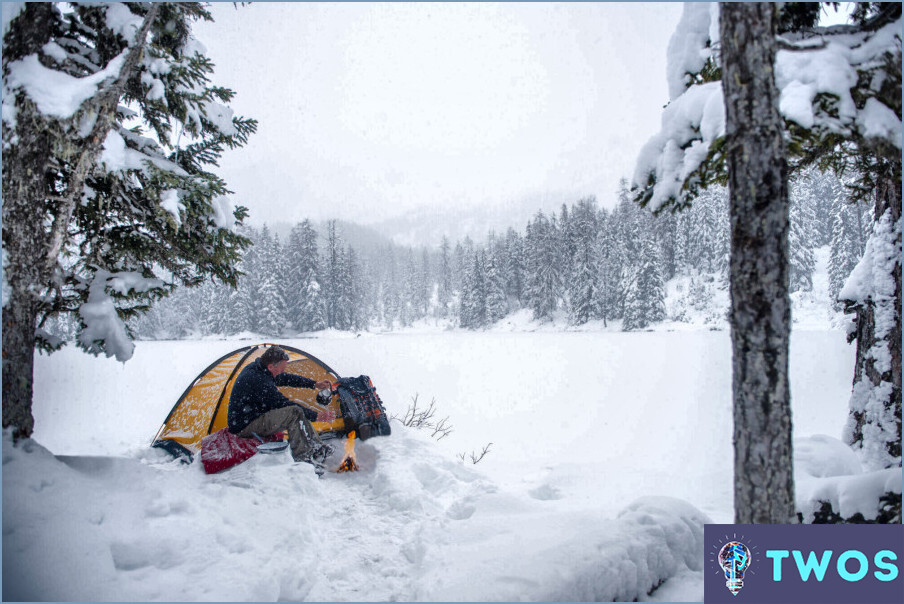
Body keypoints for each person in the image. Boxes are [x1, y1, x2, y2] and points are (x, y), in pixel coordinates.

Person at [227, 345, 335, 467]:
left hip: (253, 416)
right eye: (282, 368)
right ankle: (304, 458)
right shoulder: (258, 380)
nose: (283, 371)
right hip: (245, 426)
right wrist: (316, 416)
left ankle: (316, 447)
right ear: (271, 366)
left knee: (296, 411)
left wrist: (314, 384)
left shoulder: (261, 369)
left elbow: (285, 378)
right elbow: (282, 403)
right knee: (293, 413)